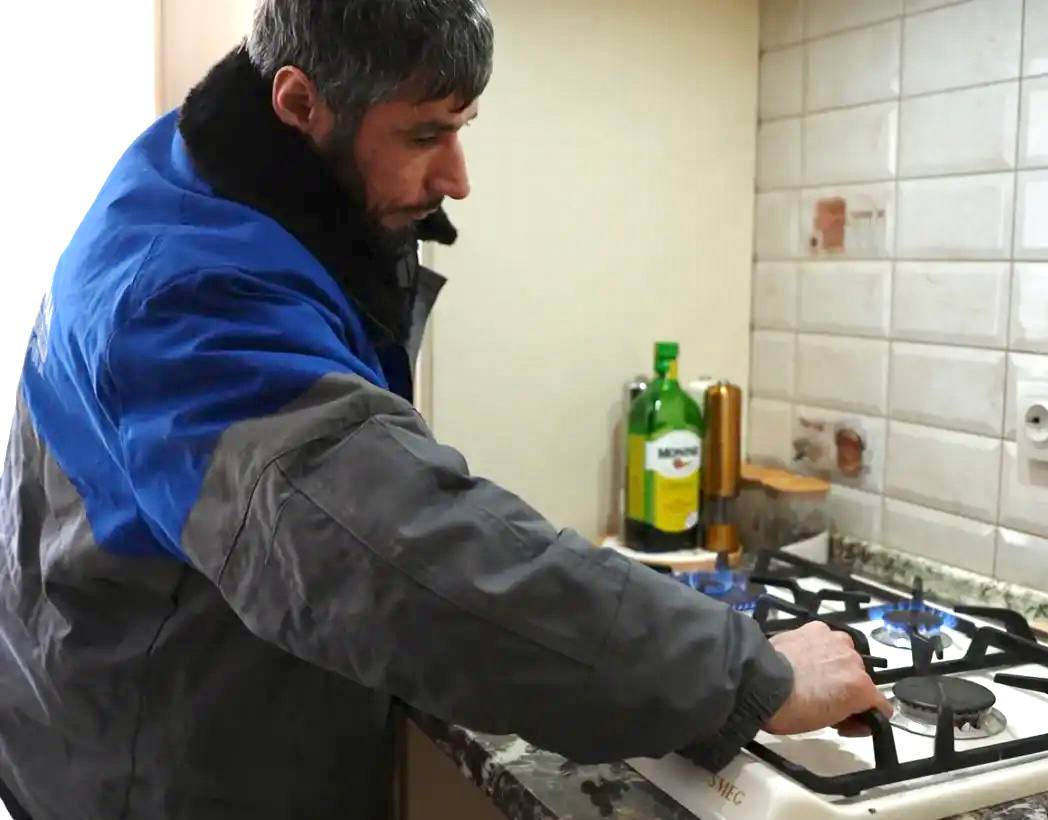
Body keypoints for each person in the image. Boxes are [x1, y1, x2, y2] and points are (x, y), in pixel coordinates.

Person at [0, 1, 889, 817]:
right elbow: (384, 549)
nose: (458, 178)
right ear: (300, 102)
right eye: (426, 133)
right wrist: (743, 674)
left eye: (462, 128)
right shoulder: (185, 292)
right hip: (148, 775)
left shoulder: (224, 176)